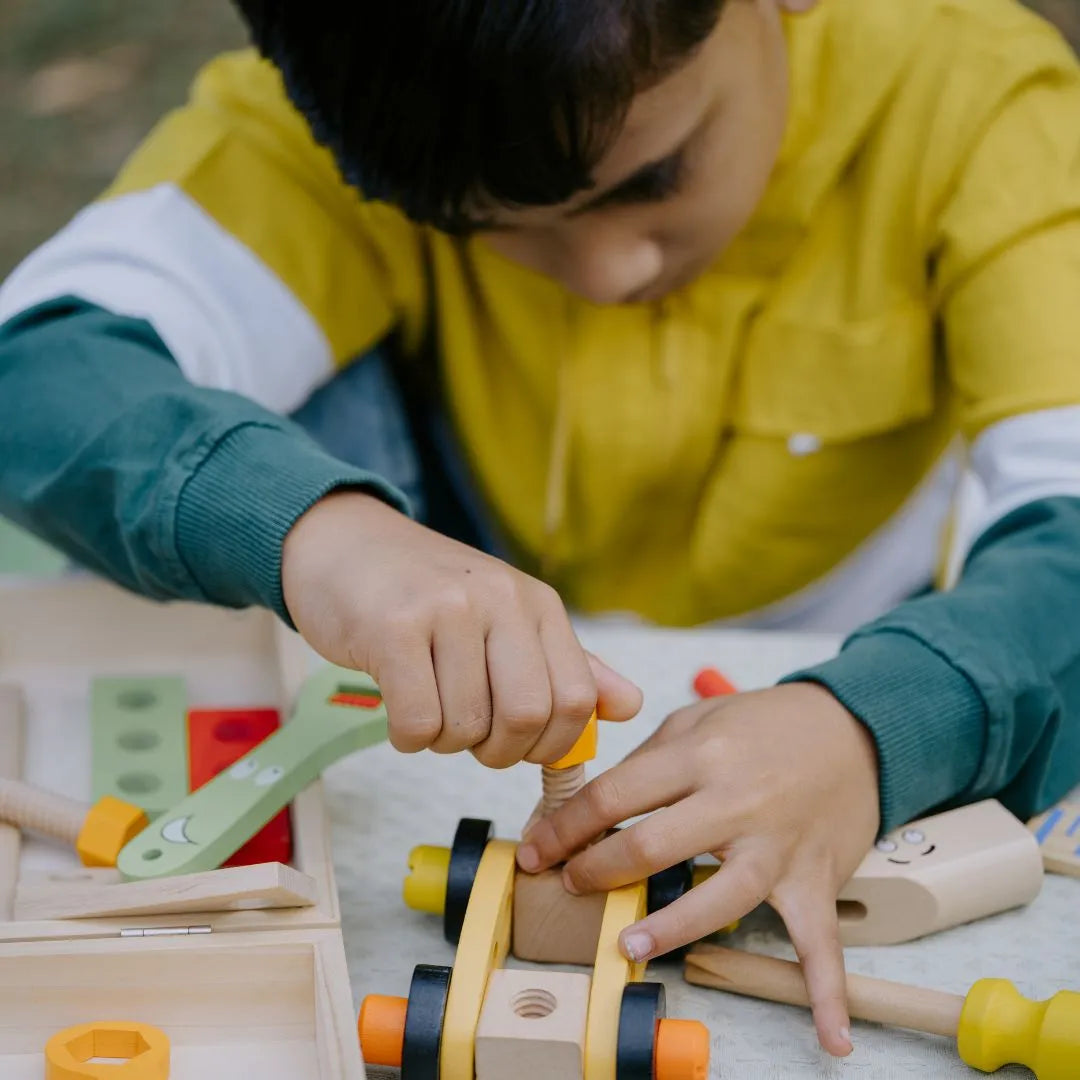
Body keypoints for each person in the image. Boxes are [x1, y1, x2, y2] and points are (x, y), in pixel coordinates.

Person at [3, 0, 1080, 1055]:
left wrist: (871, 727)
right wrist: (318, 536)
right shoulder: (351, 107)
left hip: (852, 671)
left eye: (658, 175)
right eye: (492, 226)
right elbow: (37, 372)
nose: (610, 272)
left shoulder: (982, 107)